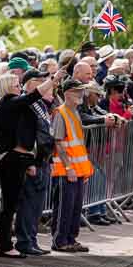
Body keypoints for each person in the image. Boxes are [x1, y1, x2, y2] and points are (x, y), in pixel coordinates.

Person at [0, 69, 64, 258]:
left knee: (12, 205)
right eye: (17, 85)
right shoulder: (7, 103)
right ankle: (6, 246)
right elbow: (33, 95)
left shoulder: (15, 105)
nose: (19, 88)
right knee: (9, 206)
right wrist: (53, 79)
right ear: (8, 87)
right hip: (10, 160)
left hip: (20, 159)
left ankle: (10, 244)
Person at [50, 78, 95, 252]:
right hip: (65, 170)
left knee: (75, 207)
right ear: (67, 93)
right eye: (77, 91)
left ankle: (70, 239)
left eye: (82, 90)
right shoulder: (60, 113)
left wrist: (81, 170)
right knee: (64, 207)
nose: (81, 94)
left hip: (77, 170)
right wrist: (68, 167)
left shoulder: (74, 112)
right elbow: (59, 142)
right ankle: (60, 241)